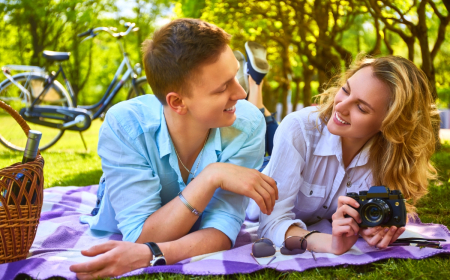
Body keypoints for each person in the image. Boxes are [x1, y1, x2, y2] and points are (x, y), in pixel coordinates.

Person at [70, 18, 278, 279]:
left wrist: (151, 255)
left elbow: (222, 231)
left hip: (171, 204)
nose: (241, 93)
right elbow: (141, 236)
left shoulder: (247, 124)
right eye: (223, 87)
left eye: (236, 76)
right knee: (110, 192)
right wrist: (212, 176)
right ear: (178, 102)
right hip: (121, 194)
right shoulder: (125, 125)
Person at [255, 55, 439, 255]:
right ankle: (254, 83)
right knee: (258, 122)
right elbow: (270, 225)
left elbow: (367, 221)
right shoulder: (298, 129)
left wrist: (372, 228)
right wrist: (331, 244)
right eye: (345, 90)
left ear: (389, 124)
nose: (340, 107)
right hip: (261, 169)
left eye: (361, 107)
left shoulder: (388, 161)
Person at [234, 41, 278, 156]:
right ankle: (255, 82)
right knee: (277, 152)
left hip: (254, 161)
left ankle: (254, 83)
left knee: (254, 117)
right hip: (271, 161)